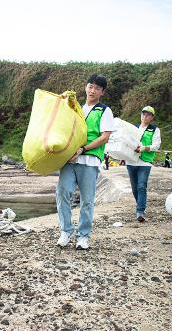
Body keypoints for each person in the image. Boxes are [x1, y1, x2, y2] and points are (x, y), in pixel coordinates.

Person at [56, 74, 114, 249]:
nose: (92, 90)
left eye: (97, 88)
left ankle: (83, 236)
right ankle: (66, 231)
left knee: (87, 200)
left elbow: (104, 137)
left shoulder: (104, 110)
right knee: (62, 193)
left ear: (102, 92)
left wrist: (83, 149)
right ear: (86, 87)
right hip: (70, 160)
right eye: (90, 86)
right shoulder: (77, 109)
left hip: (89, 160)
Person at [126, 106, 161, 222]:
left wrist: (144, 148)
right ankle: (140, 205)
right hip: (131, 161)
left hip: (145, 162)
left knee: (141, 186)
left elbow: (156, 146)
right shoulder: (133, 127)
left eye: (148, 115)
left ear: (152, 117)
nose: (145, 116)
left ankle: (140, 211)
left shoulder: (154, 130)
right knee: (134, 188)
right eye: (143, 114)